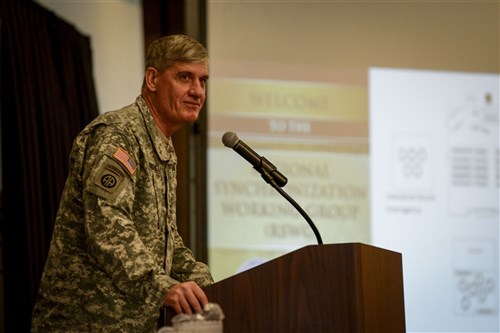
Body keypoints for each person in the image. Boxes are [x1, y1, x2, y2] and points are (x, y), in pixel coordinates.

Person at [31, 34, 214, 332]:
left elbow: (165, 240)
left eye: (203, 81)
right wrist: (161, 286)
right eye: (185, 77)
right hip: (85, 323)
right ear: (153, 79)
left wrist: (210, 287)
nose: (197, 91)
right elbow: (107, 225)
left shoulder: (162, 145)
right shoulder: (119, 134)